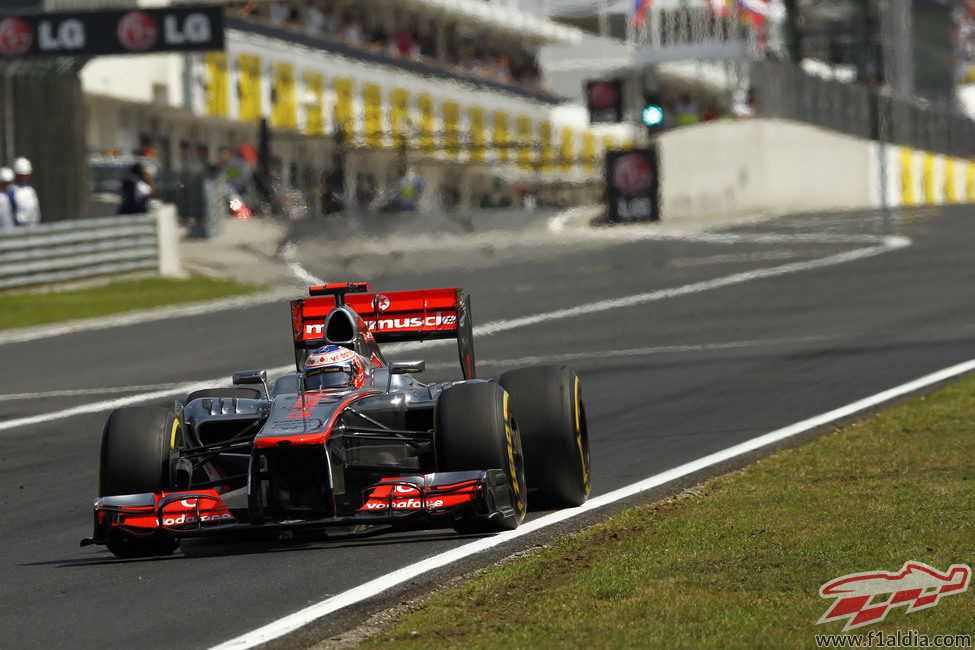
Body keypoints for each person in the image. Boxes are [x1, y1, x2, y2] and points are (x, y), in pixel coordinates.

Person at [10, 157, 40, 226]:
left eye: (25, 175)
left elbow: (35, 209)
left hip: (33, 225)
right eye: (21, 175)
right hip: (17, 227)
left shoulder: (30, 189)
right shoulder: (11, 190)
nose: (23, 177)